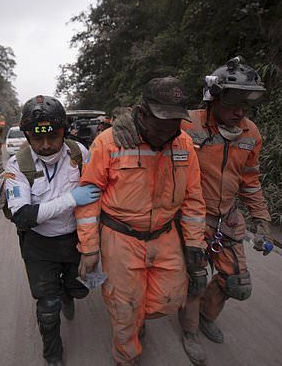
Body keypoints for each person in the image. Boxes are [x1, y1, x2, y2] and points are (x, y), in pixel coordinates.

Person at [112, 56, 274, 365]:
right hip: (188, 219)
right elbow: (150, 121)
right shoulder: (187, 123)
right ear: (213, 98)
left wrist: (262, 219)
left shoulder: (250, 133)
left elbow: (250, 181)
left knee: (236, 283)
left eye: (245, 104)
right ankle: (190, 332)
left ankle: (205, 317)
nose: (239, 111)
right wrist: (122, 118)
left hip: (227, 217)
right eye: (232, 102)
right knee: (195, 278)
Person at [75, 77, 208, 365]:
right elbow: (88, 197)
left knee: (171, 298)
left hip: (165, 235)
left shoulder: (183, 143)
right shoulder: (109, 142)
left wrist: (196, 241)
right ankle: (127, 356)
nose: (167, 131)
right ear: (142, 112)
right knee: (125, 309)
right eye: (161, 122)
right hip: (120, 237)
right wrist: (89, 247)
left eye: (174, 123)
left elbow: (193, 198)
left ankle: (136, 319)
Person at [4, 95, 101, 366]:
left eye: (53, 137)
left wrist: (92, 245)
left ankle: (68, 292)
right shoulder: (16, 166)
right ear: (27, 136)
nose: (45, 146)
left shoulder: (80, 153)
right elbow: (23, 216)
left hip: (74, 240)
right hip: (39, 246)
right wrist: (71, 200)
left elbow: (99, 193)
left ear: (64, 131)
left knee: (79, 289)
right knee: (48, 308)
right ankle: (53, 355)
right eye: (36, 139)